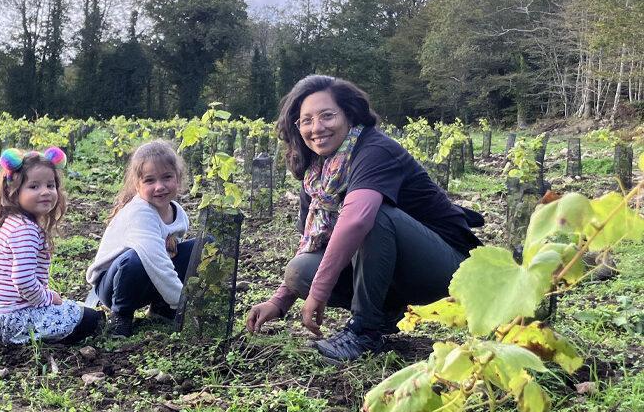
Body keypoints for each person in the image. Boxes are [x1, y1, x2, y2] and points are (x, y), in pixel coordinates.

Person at [245, 75, 482, 363]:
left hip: (445, 267)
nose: (316, 128)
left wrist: (318, 293)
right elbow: (311, 243)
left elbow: (357, 220)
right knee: (301, 269)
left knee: (372, 215)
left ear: (349, 114)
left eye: (327, 116)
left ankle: (364, 331)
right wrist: (279, 302)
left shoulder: (374, 149)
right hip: (394, 269)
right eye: (306, 120)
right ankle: (385, 313)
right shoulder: (317, 174)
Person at [0, 147, 103, 345]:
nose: (45, 192)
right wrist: (49, 298)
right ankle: (28, 339)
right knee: (93, 320)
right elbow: (23, 280)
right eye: (34, 187)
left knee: (79, 311)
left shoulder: (12, 221)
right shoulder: (25, 230)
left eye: (50, 185)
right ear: (14, 192)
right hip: (13, 318)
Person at [85, 140, 194, 338]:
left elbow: (170, 254)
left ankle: (161, 308)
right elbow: (157, 262)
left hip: (148, 278)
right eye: (150, 180)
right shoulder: (140, 213)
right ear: (137, 185)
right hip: (113, 285)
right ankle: (121, 317)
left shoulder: (178, 213)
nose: (159, 187)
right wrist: (184, 304)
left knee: (198, 248)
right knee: (135, 259)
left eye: (167, 177)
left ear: (178, 178)